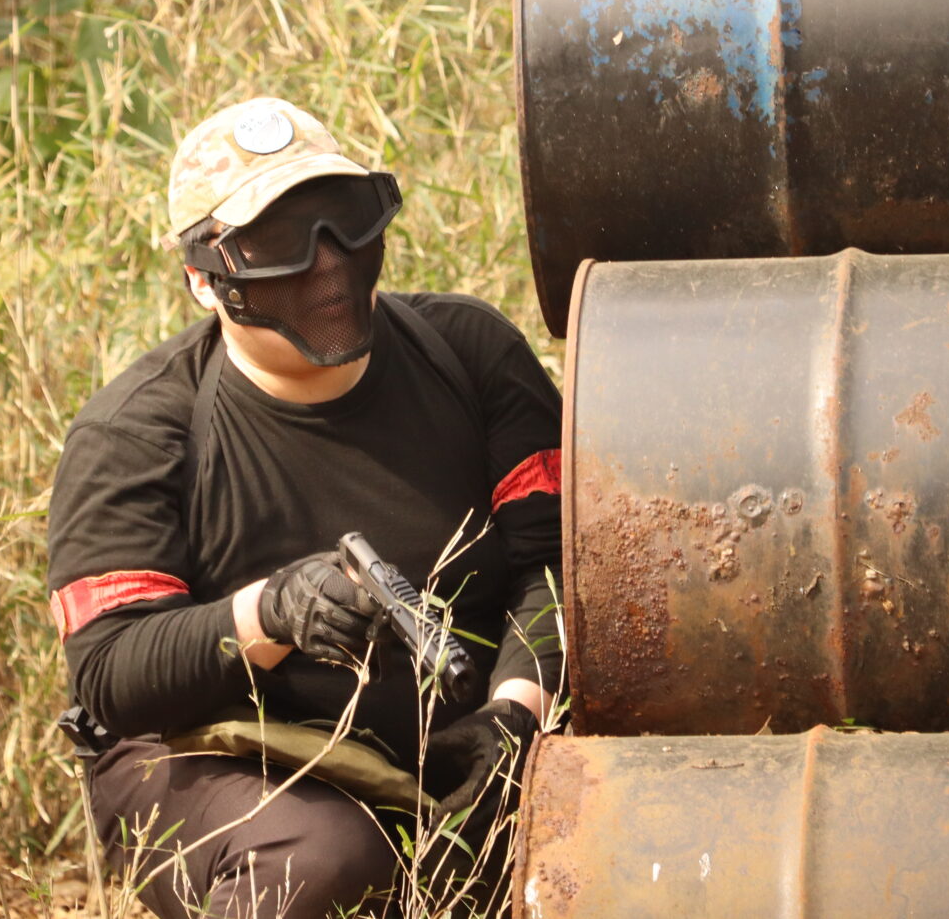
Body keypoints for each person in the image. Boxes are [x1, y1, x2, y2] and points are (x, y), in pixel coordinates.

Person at [46, 96, 564, 917]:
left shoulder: (470, 353)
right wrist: (270, 613)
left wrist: (516, 715)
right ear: (203, 277)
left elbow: (562, 563)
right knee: (323, 860)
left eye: (343, 221)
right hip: (217, 759)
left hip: (461, 741)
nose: (326, 264)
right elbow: (112, 673)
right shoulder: (136, 430)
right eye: (280, 240)